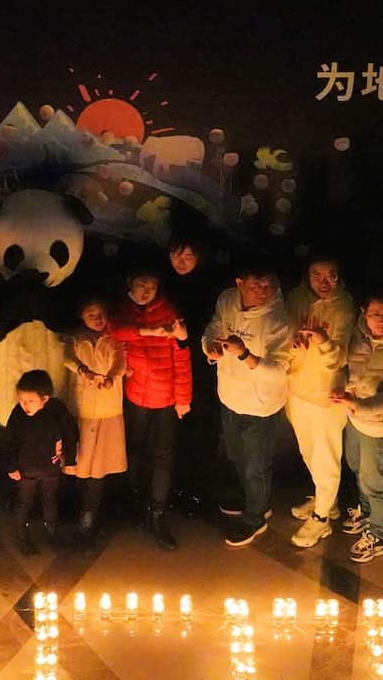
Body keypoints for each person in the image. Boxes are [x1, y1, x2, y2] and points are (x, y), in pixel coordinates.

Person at [202, 261, 294, 547]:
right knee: (236, 455)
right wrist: (211, 347)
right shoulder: (227, 299)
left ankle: (256, 518)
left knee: (257, 466)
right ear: (240, 283)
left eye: (269, 285)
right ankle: (255, 500)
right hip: (229, 396)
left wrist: (245, 355)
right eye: (256, 285)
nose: (264, 291)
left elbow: (280, 370)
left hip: (261, 406)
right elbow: (214, 327)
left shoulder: (279, 321)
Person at [329, 293, 383, 563]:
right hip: (353, 417)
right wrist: (341, 388)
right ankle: (365, 512)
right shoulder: (358, 336)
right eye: (376, 314)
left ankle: (379, 535)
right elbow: (347, 369)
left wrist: (359, 405)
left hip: (379, 425)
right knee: (356, 466)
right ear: (364, 312)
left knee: (376, 481)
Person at [110, 268, 192, 550]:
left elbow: (182, 356)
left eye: (153, 287)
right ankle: (134, 503)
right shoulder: (122, 311)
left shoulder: (168, 312)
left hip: (167, 398)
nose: (147, 292)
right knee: (134, 450)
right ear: (130, 282)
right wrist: (147, 331)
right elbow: (116, 330)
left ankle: (157, 514)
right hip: (136, 396)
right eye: (142, 285)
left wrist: (183, 398)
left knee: (163, 457)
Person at [284, 254, 356, 547]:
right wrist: (294, 345)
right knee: (308, 452)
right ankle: (329, 502)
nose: (325, 283)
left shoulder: (345, 307)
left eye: (331, 276)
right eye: (317, 275)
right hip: (296, 389)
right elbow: (283, 339)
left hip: (327, 395)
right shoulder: (295, 299)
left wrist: (322, 341)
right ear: (307, 275)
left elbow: (340, 358)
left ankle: (321, 519)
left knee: (326, 457)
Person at [164, 234, 223, 515]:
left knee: (203, 433)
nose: (181, 261)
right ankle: (177, 490)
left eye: (188, 256)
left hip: (203, 373)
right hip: (170, 373)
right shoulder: (164, 286)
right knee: (175, 436)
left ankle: (200, 491)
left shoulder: (212, 289)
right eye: (176, 254)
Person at [64, 295, 128, 548]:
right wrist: (84, 372)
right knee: (80, 464)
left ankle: (91, 515)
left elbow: (121, 363)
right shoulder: (76, 339)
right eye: (91, 314)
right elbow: (68, 358)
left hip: (107, 412)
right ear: (82, 317)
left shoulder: (114, 339)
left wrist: (111, 377)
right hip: (81, 410)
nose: (98, 319)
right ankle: (80, 511)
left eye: (101, 314)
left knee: (99, 465)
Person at [0, 369, 79, 556]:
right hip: (26, 469)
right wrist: (11, 466)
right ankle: (21, 535)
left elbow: (70, 434)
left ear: (45, 399)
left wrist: (69, 459)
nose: (24, 405)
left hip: (50, 468)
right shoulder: (18, 414)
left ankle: (51, 532)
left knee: (50, 500)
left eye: (30, 401)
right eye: (21, 401)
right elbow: (8, 440)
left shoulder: (57, 410)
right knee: (23, 502)